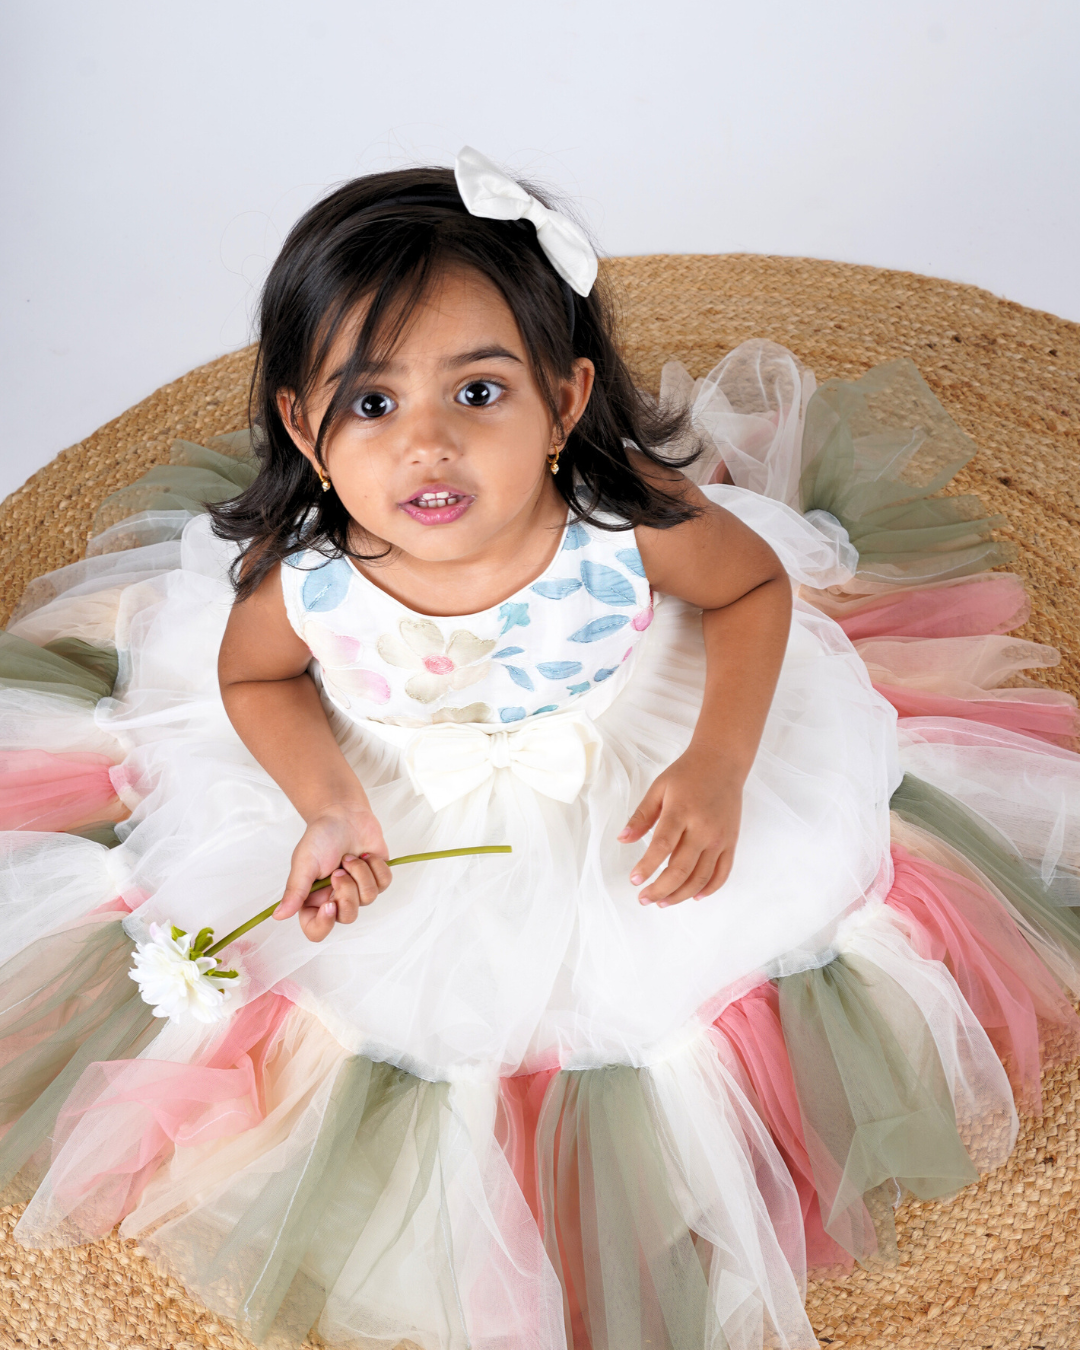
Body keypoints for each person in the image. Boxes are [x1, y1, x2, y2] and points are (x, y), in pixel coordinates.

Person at [1, 148, 1079, 1350]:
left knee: (698, 956)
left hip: (631, 746)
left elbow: (751, 590)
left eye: (477, 393)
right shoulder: (311, 580)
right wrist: (328, 802)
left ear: (564, 403)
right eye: (373, 404)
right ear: (305, 426)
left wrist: (719, 762)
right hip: (396, 786)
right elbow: (254, 676)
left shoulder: (622, 525)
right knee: (381, 1008)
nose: (426, 445)